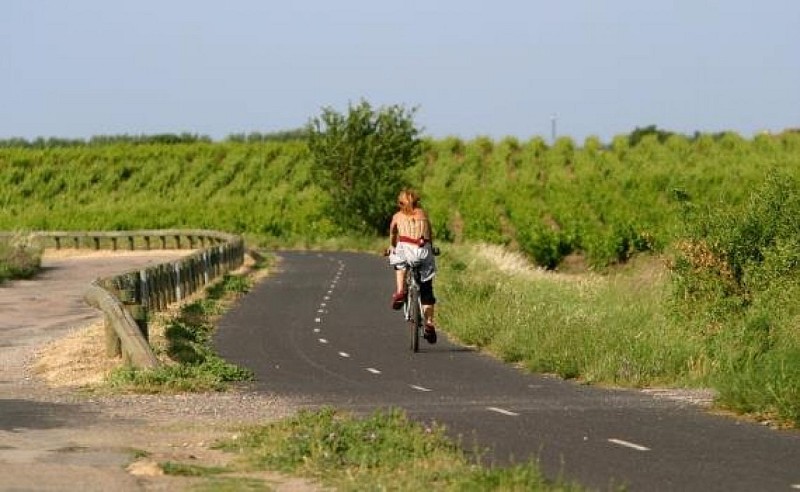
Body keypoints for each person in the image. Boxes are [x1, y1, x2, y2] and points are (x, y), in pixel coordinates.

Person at [387, 188, 437, 344]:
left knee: (398, 262)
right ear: (417, 202)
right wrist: (432, 248)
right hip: (423, 250)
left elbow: (393, 235)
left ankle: (400, 291)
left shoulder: (397, 216)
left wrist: (392, 246)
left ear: (400, 203)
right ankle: (429, 322)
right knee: (427, 288)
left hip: (406, 249)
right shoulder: (423, 214)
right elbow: (430, 234)